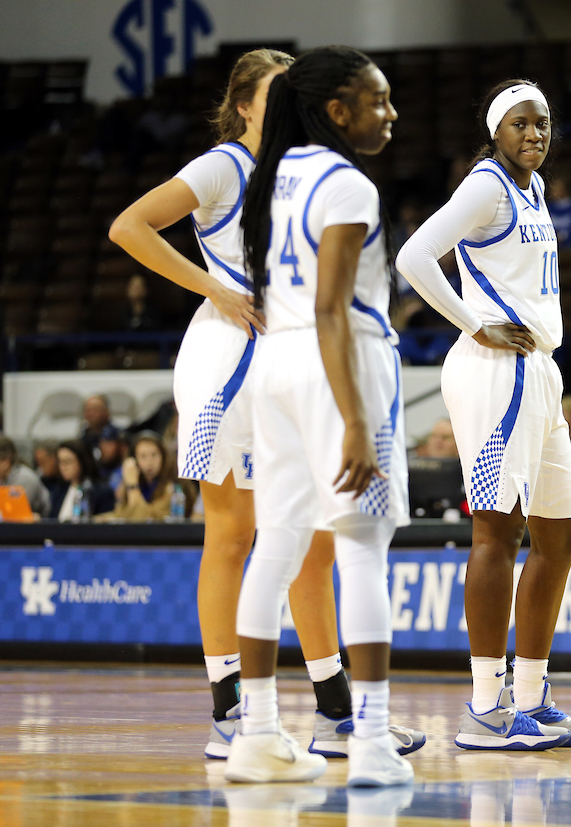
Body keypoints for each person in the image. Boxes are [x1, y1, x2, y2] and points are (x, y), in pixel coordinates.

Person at [109, 49, 424, 769]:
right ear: (244, 104)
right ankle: (232, 710)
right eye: (276, 91)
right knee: (235, 532)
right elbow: (129, 226)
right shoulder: (226, 165)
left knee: (308, 540)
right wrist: (213, 287)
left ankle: (334, 706)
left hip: (287, 352)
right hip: (230, 356)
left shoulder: (294, 171)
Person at [224, 45, 425, 785]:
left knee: (275, 545)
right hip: (340, 365)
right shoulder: (346, 184)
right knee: (363, 549)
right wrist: (355, 420)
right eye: (379, 100)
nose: (391, 113)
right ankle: (370, 743)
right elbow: (332, 309)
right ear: (338, 110)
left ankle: (257, 736)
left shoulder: (276, 175)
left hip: (275, 365)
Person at [397, 78, 571, 751]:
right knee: (497, 531)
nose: (534, 133)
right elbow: (413, 256)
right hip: (495, 369)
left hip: (537, 367)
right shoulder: (486, 185)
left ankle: (533, 697)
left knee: (560, 535)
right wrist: (473, 322)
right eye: (520, 123)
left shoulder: (532, 187)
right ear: (495, 132)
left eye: (542, 122)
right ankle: (486, 707)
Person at [96, 431, 190, 521]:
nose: (149, 462)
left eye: (154, 455)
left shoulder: (172, 488)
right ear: (135, 460)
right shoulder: (137, 483)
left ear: (163, 457)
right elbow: (122, 514)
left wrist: (132, 485)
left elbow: (143, 518)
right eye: (143, 456)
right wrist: (101, 519)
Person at [50, 440, 116, 520]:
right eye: (60, 462)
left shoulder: (102, 492)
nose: (63, 467)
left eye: (68, 462)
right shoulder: (58, 491)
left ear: (82, 461)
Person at [0, 435, 51, 517]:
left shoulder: (24, 478)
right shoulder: (3, 478)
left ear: (6, 461)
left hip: (43, 523)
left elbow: (16, 513)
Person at [80, 394, 112, 459]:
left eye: (96, 409)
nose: (91, 414)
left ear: (106, 412)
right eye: (88, 410)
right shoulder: (81, 441)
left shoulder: (117, 438)